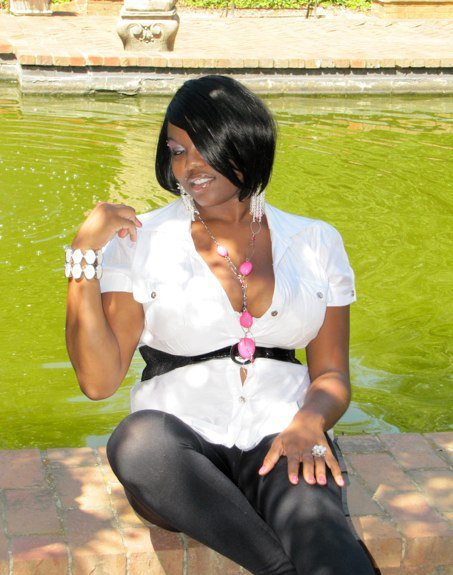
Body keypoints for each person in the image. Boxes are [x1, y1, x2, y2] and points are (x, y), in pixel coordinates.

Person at [65, 75, 376, 575]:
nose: (189, 166)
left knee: (325, 540)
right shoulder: (141, 240)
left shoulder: (317, 242)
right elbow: (99, 382)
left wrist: (310, 420)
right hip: (178, 460)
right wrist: (83, 256)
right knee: (138, 442)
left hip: (283, 434)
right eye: (176, 151)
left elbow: (332, 374)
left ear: (245, 143)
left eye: (203, 147)